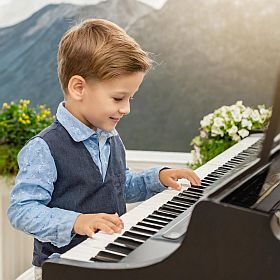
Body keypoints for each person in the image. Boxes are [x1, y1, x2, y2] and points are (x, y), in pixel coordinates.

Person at [7, 19, 201, 279]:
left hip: (106, 259)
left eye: (130, 98)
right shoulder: (44, 148)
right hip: (63, 267)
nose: (126, 109)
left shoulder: (109, 137)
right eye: (118, 98)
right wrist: (76, 222)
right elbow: (22, 210)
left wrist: (158, 178)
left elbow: (118, 184)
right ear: (79, 88)